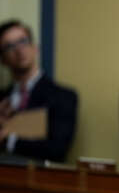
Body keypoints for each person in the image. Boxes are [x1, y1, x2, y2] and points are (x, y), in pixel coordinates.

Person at [0, 20, 78, 164]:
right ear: (3, 60)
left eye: (22, 41)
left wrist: (9, 139)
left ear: (35, 48)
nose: (18, 50)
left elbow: (57, 150)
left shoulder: (62, 97)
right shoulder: (2, 100)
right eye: (9, 46)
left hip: (41, 181)